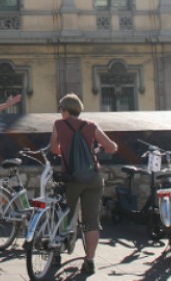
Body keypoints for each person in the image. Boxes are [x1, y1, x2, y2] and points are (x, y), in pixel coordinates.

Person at [49, 93, 118, 276]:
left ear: (64, 110)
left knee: (64, 216)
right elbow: (111, 147)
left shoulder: (59, 125)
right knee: (91, 221)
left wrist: (64, 147)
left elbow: (53, 149)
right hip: (93, 178)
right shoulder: (90, 125)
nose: (60, 113)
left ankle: (56, 254)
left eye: (60, 110)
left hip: (71, 179)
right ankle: (89, 261)